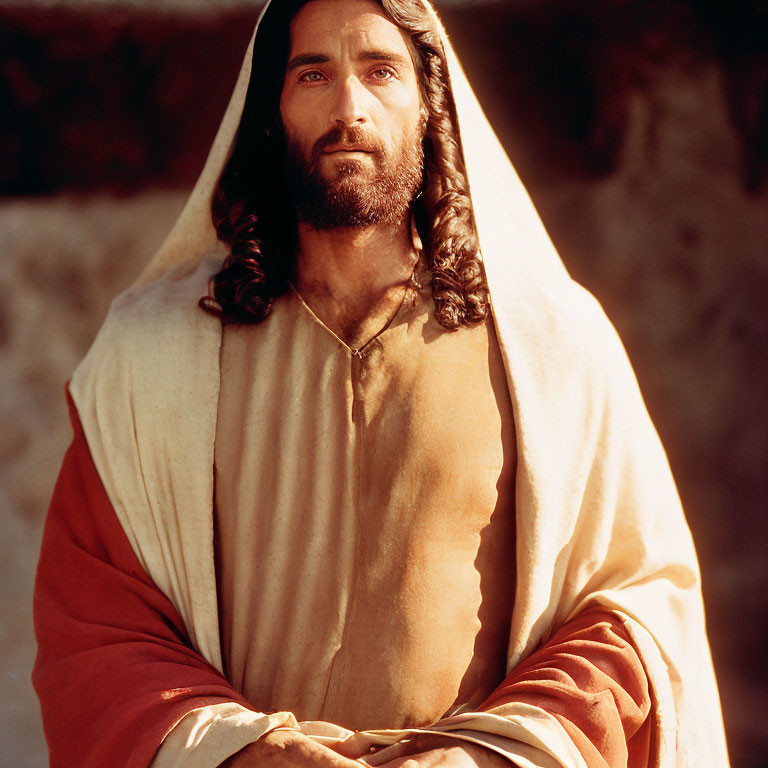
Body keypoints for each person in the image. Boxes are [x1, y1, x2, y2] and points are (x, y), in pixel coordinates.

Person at [32, 1, 730, 767]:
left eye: (380, 71)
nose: (348, 107)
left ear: (431, 105)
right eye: (313, 75)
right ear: (272, 110)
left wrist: (483, 757)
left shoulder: (552, 350)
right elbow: (94, 622)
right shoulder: (152, 358)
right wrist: (246, 752)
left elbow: (636, 606)